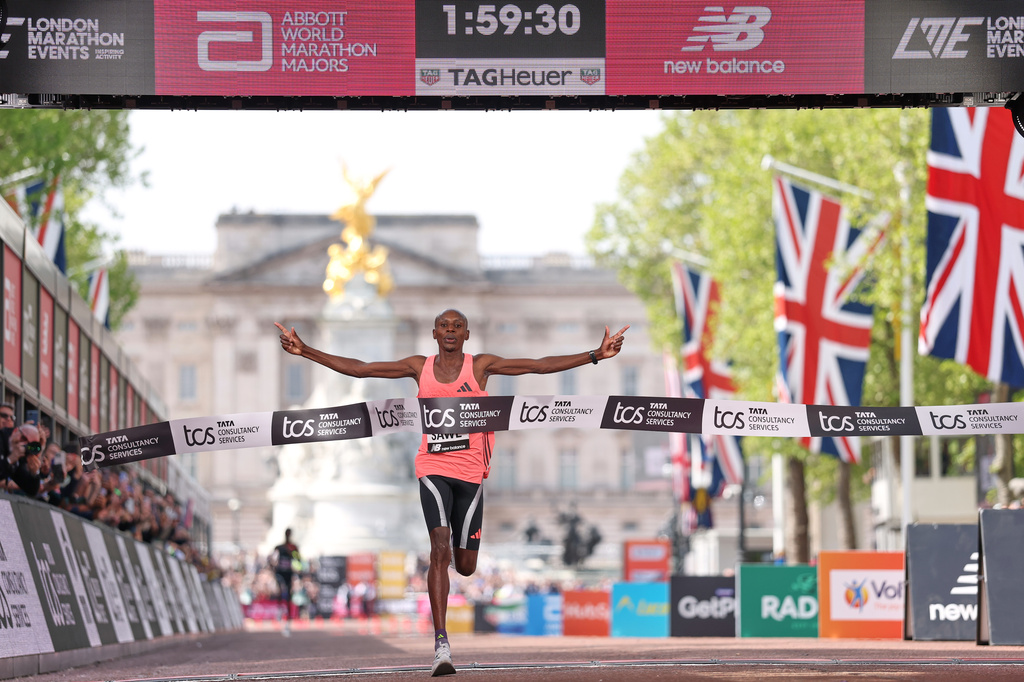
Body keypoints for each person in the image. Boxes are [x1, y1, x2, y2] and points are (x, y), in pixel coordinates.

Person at [277, 308, 628, 676]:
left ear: (466, 334)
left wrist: (594, 355)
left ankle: (454, 586)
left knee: (465, 565)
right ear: (433, 333)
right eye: (444, 326)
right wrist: (307, 351)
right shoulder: (419, 367)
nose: (449, 330)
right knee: (439, 547)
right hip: (432, 467)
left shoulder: (480, 367)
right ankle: (441, 642)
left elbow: (537, 366)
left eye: (456, 326)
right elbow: (362, 368)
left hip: (472, 474)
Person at [271, 528, 302, 636]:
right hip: (280, 572)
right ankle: (280, 610)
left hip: (288, 573)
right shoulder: (279, 547)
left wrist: (294, 556)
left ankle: (287, 618)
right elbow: (271, 558)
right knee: (280, 590)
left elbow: (298, 559)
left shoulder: (293, 547)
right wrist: (273, 566)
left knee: (288, 594)